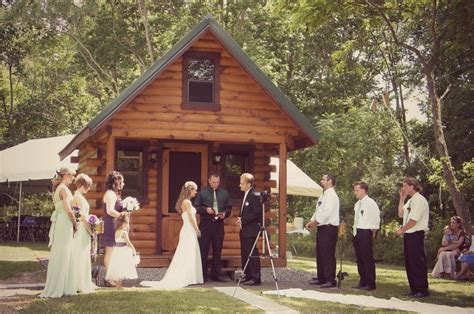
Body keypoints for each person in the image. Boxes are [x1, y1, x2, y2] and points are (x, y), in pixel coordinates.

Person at [141, 181, 203, 289]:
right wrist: (197, 229)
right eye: (195, 190)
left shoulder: (186, 202)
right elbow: (190, 218)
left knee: (190, 252)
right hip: (188, 229)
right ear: (190, 190)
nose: (196, 192)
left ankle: (190, 276)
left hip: (188, 230)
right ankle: (185, 276)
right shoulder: (187, 202)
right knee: (186, 252)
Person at [40, 167, 78, 298]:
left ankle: (60, 283)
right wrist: (75, 224)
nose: (73, 178)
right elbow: (68, 209)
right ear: (66, 175)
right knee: (64, 250)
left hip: (60, 221)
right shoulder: (64, 189)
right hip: (65, 221)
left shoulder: (57, 189)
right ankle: (62, 286)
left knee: (60, 251)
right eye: (72, 175)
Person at [395, 177, 430, 298]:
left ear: (412, 186)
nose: (403, 188)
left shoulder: (419, 200)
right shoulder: (410, 201)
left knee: (417, 262)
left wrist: (401, 230)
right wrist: (402, 198)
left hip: (415, 234)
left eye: (405, 186)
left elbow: (414, 220)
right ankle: (414, 288)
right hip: (408, 235)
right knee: (409, 262)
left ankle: (422, 289)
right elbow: (400, 214)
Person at [194, 171, 232, 282]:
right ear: (209, 181)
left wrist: (225, 214)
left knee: (217, 250)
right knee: (203, 250)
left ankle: (216, 274)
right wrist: (205, 209)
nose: (216, 184)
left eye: (218, 182)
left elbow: (229, 208)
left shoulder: (224, 193)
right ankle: (203, 275)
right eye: (214, 182)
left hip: (219, 225)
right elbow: (196, 207)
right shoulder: (202, 193)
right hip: (205, 224)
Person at [306, 174, 340, 288]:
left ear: (330, 181)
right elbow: (318, 211)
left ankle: (330, 279)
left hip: (329, 228)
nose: (321, 181)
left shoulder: (331, 196)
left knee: (327, 254)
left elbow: (326, 213)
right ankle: (321, 277)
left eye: (323, 179)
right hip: (322, 227)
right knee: (320, 253)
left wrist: (315, 222)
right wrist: (311, 221)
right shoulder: (323, 195)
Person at [351, 181, 380, 291]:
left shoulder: (370, 203)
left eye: (357, 190)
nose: (355, 193)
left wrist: (372, 233)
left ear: (363, 190)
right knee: (359, 258)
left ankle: (370, 283)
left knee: (367, 258)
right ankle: (362, 281)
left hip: (366, 231)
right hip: (357, 231)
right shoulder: (357, 204)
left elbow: (376, 219)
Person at [72, 173, 97, 293]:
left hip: (85, 228)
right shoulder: (76, 196)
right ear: (82, 185)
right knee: (80, 254)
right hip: (82, 228)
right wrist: (91, 228)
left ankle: (84, 281)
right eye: (88, 186)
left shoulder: (80, 196)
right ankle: (78, 282)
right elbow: (81, 216)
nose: (89, 188)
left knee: (84, 254)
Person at [236, 173, 262, 286]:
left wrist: (243, 219)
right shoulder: (246, 194)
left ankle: (255, 278)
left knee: (252, 253)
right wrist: (240, 219)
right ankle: (247, 276)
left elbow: (256, 213)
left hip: (251, 229)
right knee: (245, 253)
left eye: (242, 183)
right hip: (244, 229)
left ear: (248, 184)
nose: (239, 185)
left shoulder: (254, 195)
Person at [102, 171, 127, 286]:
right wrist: (122, 215)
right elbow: (110, 210)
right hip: (110, 225)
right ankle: (109, 278)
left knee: (115, 252)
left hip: (116, 225)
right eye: (120, 181)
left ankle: (114, 276)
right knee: (110, 251)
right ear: (113, 183)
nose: (123, 183)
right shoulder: (110, 194)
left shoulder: (116, 194)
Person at [105, 214, 138, 288]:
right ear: (122, 223)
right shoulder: (124, 233)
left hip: (116, 250)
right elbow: (128, 243)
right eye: (126, 223)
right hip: (123, 250)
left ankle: (118, 284)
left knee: (117, 266)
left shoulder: (117, 231)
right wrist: (133, 249)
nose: (127, 225)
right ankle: (119, 285)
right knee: (122, 266)